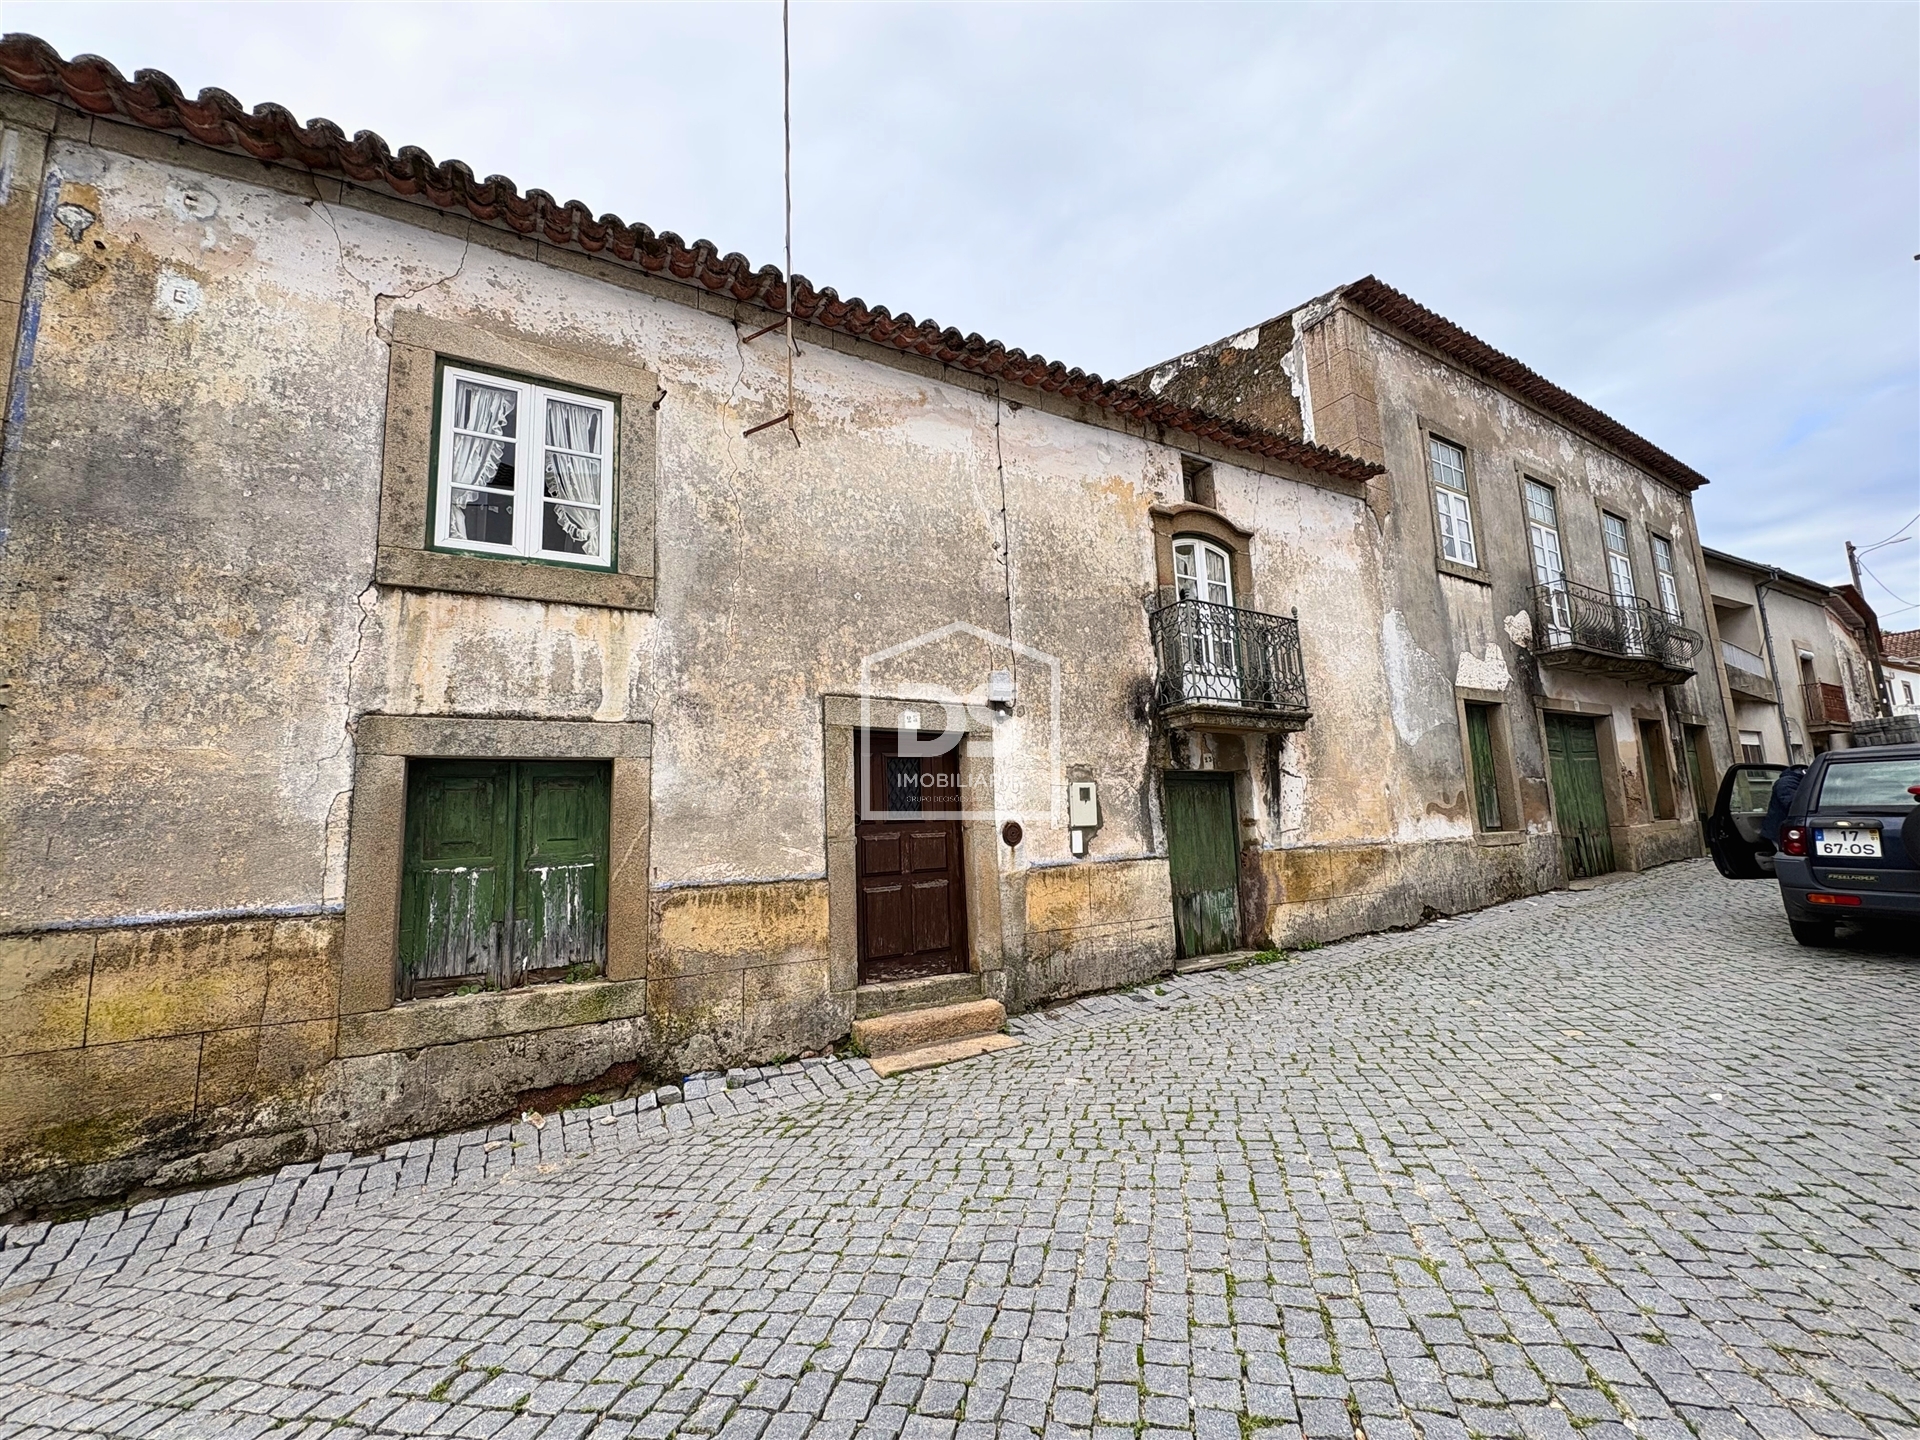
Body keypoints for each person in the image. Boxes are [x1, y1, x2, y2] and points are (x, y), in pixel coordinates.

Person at [1760, 764, 1807, 850]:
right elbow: (1793, 806)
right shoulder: (1787, 783)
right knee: (1788, 856)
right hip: (1780, 831)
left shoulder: (1793, 782)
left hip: (1784, 829)